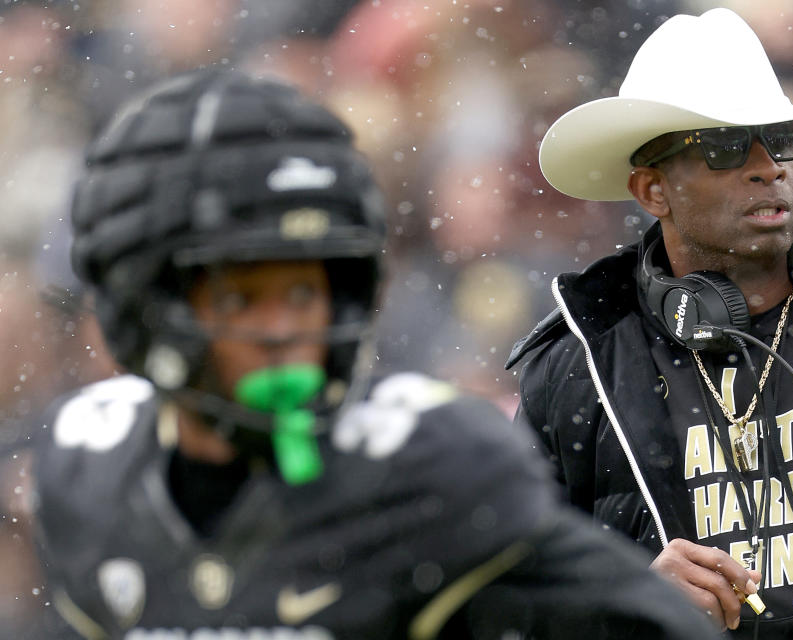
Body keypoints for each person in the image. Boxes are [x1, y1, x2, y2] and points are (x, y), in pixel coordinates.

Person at [29, 69, 720, 640]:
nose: (282, 330)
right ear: (147, 304)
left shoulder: (425, 466)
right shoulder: (88, 470)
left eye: (302, 291)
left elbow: (648, 621)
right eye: (241, 298)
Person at [507, 8, 793, 640]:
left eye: (782, 138)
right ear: (651, 190)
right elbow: (499, 603)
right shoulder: (578, 368)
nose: (768, 165)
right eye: (724, 146)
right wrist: (623, 601)